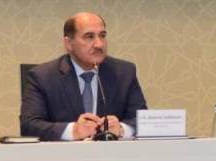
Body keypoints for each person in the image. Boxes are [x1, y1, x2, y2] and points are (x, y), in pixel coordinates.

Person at [20, 12, 148, 141]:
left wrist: (121, 129)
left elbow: (142, 120)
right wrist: (73, 131)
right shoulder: (43, 77)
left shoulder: (124, 72)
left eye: (102, 36)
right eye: (89, 37)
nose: (99, 44)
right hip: (65, 153)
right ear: (68, 43)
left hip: (112, 153)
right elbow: (29, 125)